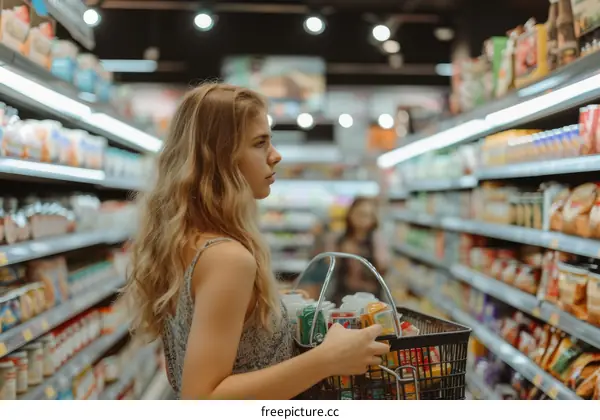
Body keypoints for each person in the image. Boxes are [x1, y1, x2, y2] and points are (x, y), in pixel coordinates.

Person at [120, 82, 389, 400]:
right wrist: (327, 360)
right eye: (260, 143)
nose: (275, 155)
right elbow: (202, 399)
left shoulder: (185, 241)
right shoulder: (228, 259)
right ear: (220, 157)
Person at [328, 197, 391, 305]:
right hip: (342, 298)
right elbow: (329, 266)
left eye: (368, 215)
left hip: (371, 299)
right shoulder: (339, 239)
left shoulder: (377, 239)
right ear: (350, 214)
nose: (363, 219)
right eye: (360, 214)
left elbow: (383, 267)